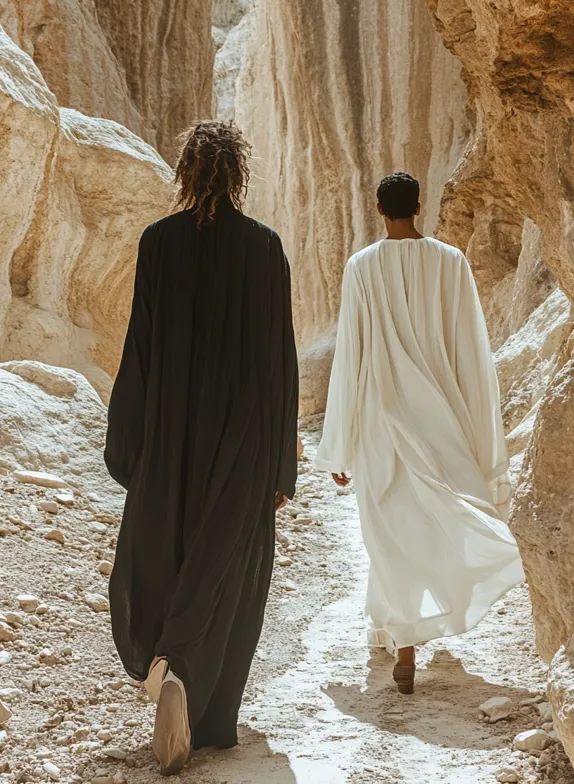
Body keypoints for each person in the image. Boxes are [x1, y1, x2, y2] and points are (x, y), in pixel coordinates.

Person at [105, 121, 299, 775]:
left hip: (168, 436)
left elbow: (141, 348)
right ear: (238, 174)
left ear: (186, 173)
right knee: (230, 570)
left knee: (165, 556)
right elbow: (279, 364)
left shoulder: (158, 244)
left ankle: (167, 668)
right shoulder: (265, 247)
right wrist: (281, 465)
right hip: (244, 441)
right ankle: (207, 710)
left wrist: (130, 446)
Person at [315, 172, 524, 694]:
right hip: (442, 417)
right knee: (437, 520)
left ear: (379, 208)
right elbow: (469, 350)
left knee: (390, 534)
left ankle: (405, 648)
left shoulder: (362, 266)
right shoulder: (450, 262)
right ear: (418, 205)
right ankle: (410, 630)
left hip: (383, 420)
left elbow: (352, 355)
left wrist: (340, 440)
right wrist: (477, 427)